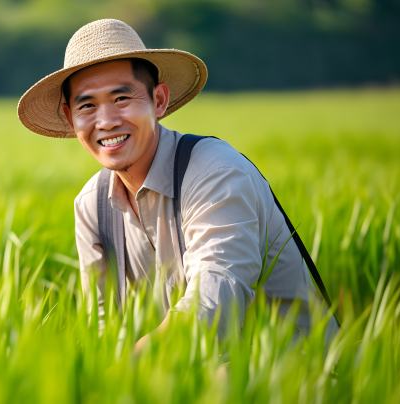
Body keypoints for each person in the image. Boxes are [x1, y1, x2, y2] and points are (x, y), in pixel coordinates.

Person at [17, 19, 339, 352]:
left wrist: (129, 367)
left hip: (300, 371)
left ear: (158, 101)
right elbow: (105, 328)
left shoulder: (215, 172)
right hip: (186, 373)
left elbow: (215, 306)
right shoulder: (91, 205)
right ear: (71, 118)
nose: (107, 120)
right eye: (87, 106)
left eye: (122, 99)